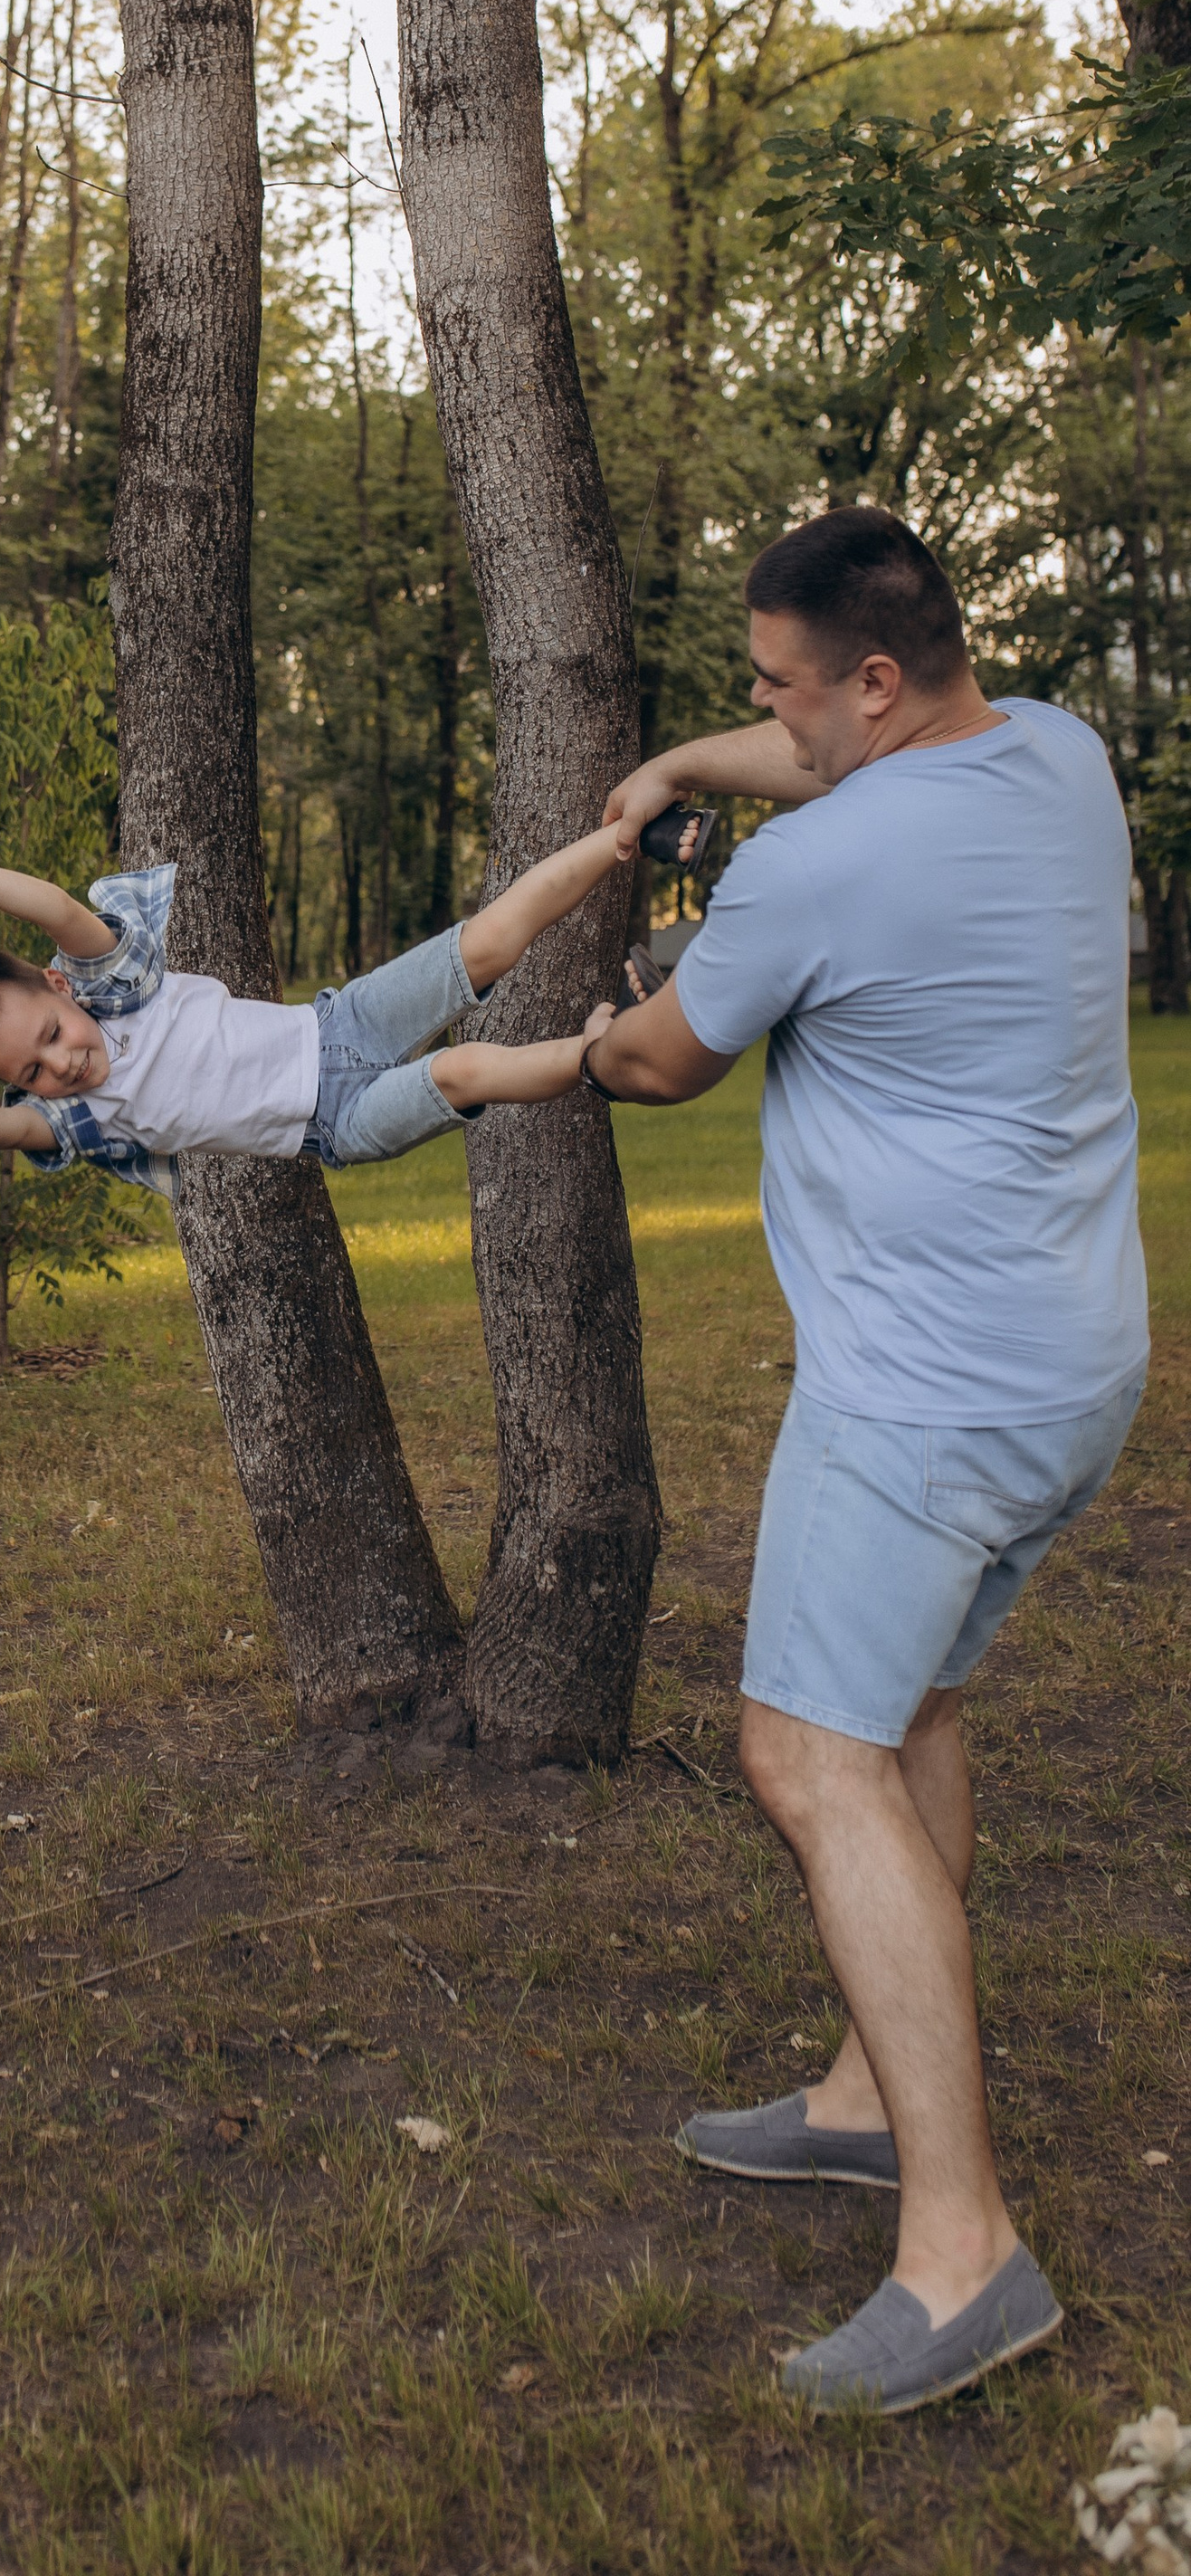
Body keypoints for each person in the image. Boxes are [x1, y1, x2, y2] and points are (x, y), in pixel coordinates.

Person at [576, 505, 1146, 2419]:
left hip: (911, 1393)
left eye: (775, 690)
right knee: (908, 1712)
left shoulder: (817, 866)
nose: (766, 720)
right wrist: (674, 761)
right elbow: (813, 756)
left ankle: (958, 2250)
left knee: (802, 1756)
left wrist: (602, 1017)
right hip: (1070, 1365)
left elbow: (662, 1061)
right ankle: (852, 2097)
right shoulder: (1053, 753)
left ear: (870, 682)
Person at [0, 813, 704, 1194]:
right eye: (33, 1072)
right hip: (336, 1122)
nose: (61, 1063)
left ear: (58, 988)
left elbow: (51, 907)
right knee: (460, 1071)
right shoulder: (90, 1116)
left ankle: (632, 835)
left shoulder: (113, 988)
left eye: (50, 1035)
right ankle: (608, 1048)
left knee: (485, 942)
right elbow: (2, 1127)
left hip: (338, 1021)